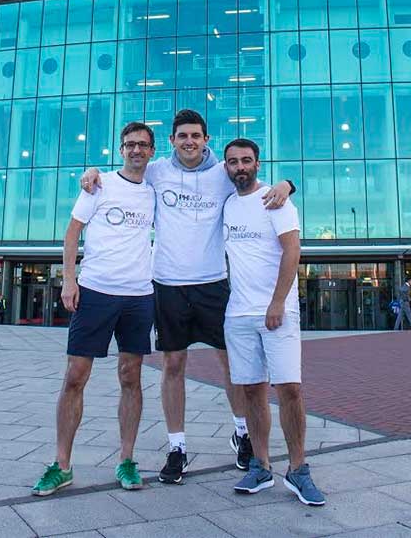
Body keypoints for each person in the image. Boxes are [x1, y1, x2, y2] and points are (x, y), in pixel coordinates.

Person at [81, 109, 295, 484]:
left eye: (196, 136)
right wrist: (91, 173)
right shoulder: (158, 170)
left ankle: (242, 433)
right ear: (172, 141)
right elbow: (124, 168)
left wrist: (288, 184)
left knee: (232, 365)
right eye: (182, 136)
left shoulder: (221, 174)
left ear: (206, 139)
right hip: (168, 283)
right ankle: (176, 447)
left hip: (213, 282)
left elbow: (252, 179)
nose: (189, 142)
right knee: (173, 366)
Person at [32, 121, 157, 497]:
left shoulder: (155, 189)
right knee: (75, 376)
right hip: (96, 291)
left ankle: (127, 460)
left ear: (152, 151)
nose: (136, 150)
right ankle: (62, 465)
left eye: (142, 145)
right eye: (129, 144)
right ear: (121, 149)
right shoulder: (99, 183)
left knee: (131, 376)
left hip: (139, 295)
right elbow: (72, 232)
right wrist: (69, 280)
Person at [222, 138, 325, 505]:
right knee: (251, 390)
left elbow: (292, 250)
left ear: (258, 164)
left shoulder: (277, 200)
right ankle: (260, 465)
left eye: (246, 161)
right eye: (233, 162)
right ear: (226, 167)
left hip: (277, 312)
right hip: (238, 314)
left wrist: (278, 302)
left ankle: (298, 469)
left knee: (290, 389)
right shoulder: (227, 203)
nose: (240, 167)